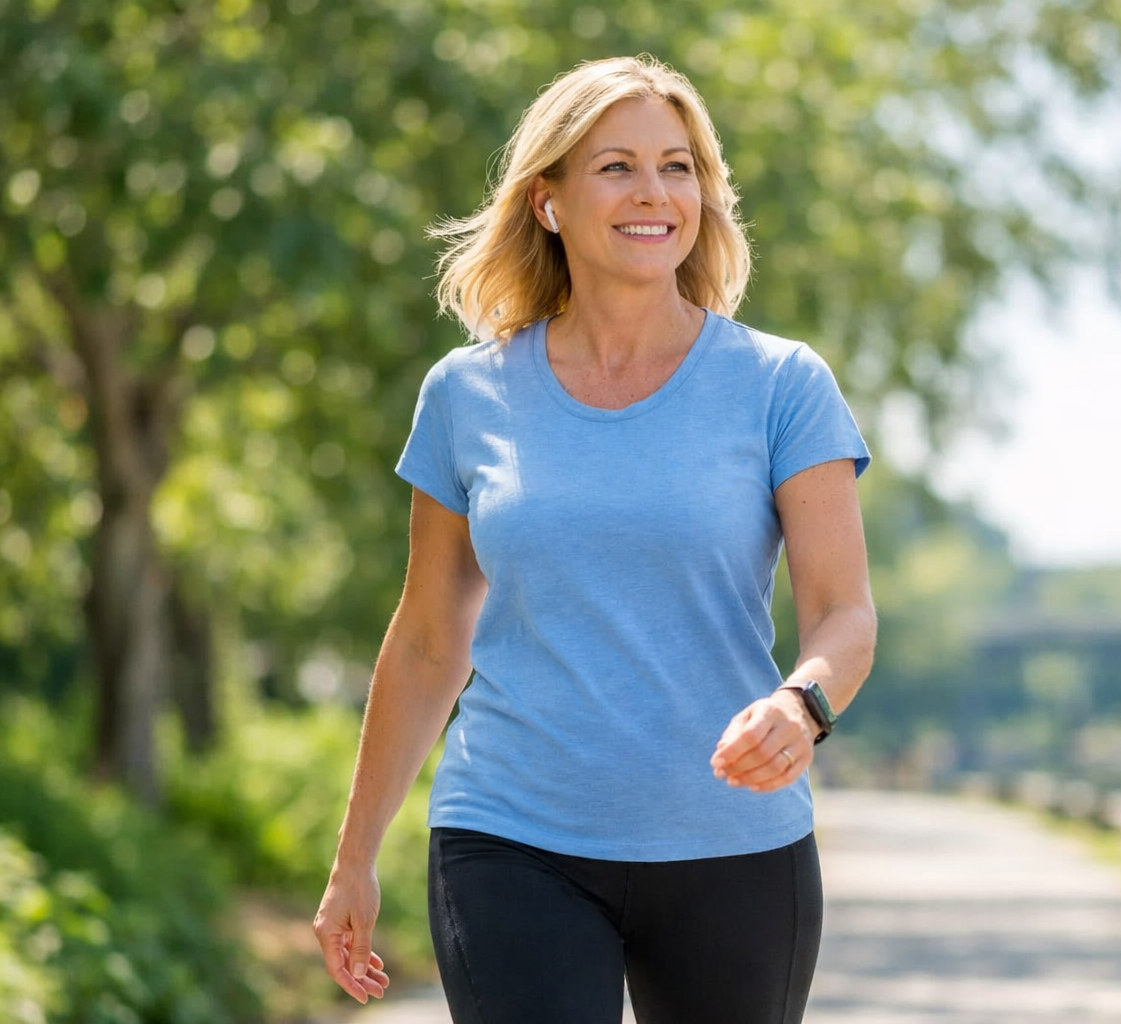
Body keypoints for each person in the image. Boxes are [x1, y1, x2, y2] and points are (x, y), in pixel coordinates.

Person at [312, 55, 876, 1023]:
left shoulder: (781, 384)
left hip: (731, 843)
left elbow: (843, 612)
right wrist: (353, 856)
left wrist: (802, 701)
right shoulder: (466, 394)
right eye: (616, 167)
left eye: (679, 166)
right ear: (549, 201)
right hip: (510, 835)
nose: (654, 192)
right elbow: (427, 638)